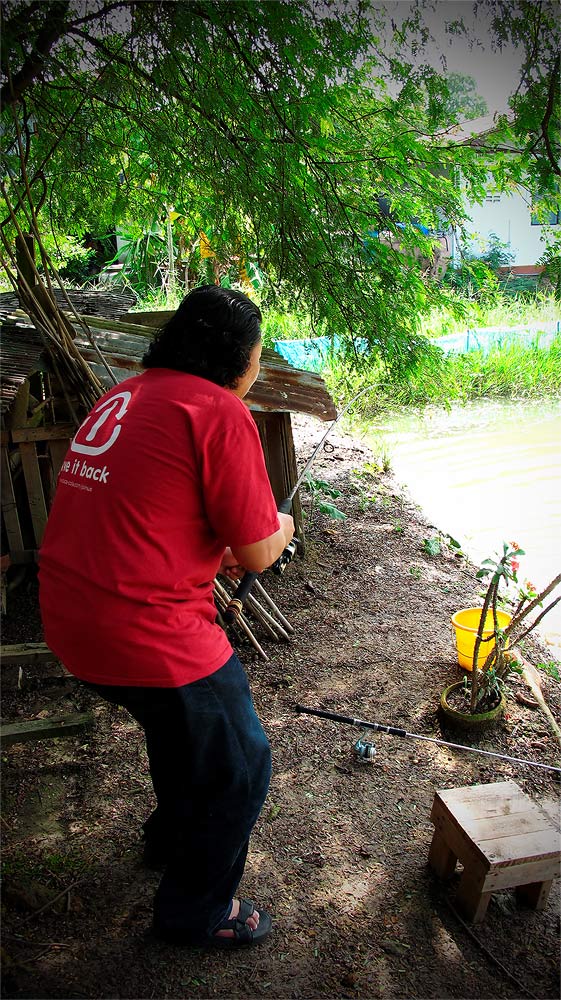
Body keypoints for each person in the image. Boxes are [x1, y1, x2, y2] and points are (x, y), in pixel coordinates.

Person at [38, 285, 294, 948]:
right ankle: (196, 912)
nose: (258, 370)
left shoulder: (125, 395)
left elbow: (142, 516)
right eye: (258, 357)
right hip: (143, 636)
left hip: (70, 620)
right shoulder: (216, 408)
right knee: (242, 762)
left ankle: (170, 839)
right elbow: (261, 549)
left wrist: (213, 555)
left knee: (177, 728)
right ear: (236, 359)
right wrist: (283, 525)